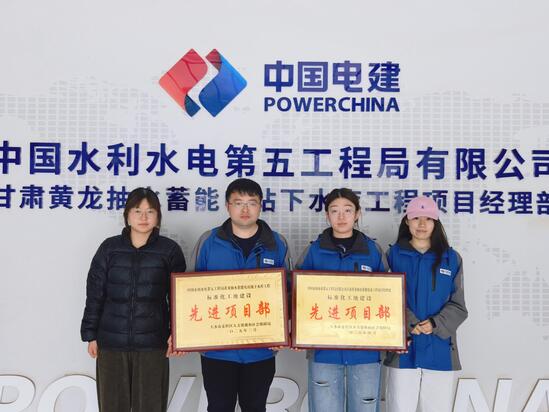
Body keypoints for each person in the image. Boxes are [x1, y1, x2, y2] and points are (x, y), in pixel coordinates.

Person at [80, 187, 187, 412]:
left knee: (150, 406)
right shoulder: (109, 248)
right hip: (111, 342)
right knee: (112, 406)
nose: (143, 217)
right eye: (137, 211)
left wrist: (179, 334)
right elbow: (95, 292)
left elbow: (180, 298)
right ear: (127, 215)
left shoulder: (169, 250)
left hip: (153, 344)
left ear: (158, 216)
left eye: (150, 211)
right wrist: (91, 335)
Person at [189, 178, 291, 412]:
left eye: (251, 203)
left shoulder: (277, 243)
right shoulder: (208, 241)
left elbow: (289, 291)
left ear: (260, 206)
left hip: (260, 350)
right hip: (217, 350)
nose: (245, 209)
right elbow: (189, 292)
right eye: (238, 203)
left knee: (255, 407)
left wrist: (286, 329)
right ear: (227, 206)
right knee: (219, 407)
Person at [295, 188, 385, 412]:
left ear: (357, 214)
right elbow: (295, 295)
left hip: (365, 351)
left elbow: (389, 298)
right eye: (335, 211)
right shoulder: (314, 251)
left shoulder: (373, 251)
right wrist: (297, 332)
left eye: (348, 210)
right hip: (324, 350)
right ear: (327, 215)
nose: (341, 216)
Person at [384, 196, 468, 412]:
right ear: (407, 221)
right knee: (399, 407)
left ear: (436, 222)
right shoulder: (393, 255)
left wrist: (435, 323)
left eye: (428, 219)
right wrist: (410, 322)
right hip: (404, 348)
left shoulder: (451, 259)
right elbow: (384, 298)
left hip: (440, 349)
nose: (422, 224)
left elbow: (459, 306)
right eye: (416, 218)